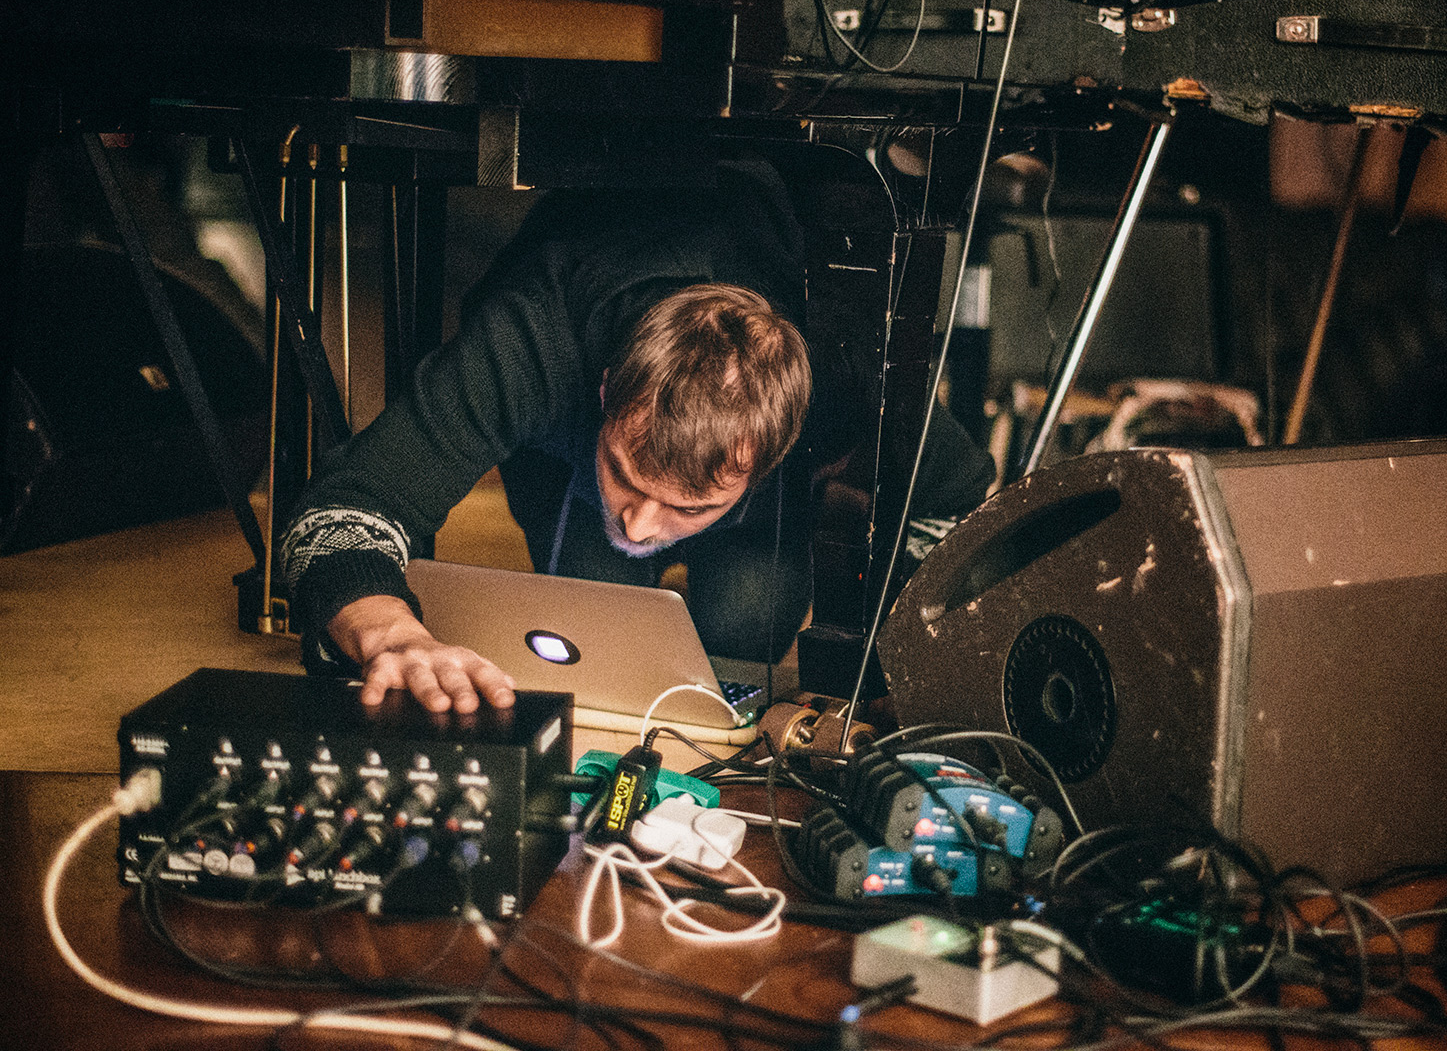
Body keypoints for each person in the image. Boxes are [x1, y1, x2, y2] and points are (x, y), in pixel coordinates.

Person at [277, 158, 996, 713]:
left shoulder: (844, 376)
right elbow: (348, 507)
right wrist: (391, 633)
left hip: (764, 242)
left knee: (746, 631)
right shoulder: (531, 338)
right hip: (588, 259)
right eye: (628, 473)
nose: (642, 523)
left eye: (688, 507)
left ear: (774, 457)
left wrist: (897, 629)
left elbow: (965, 500)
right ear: (605, 389)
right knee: (592, 643)